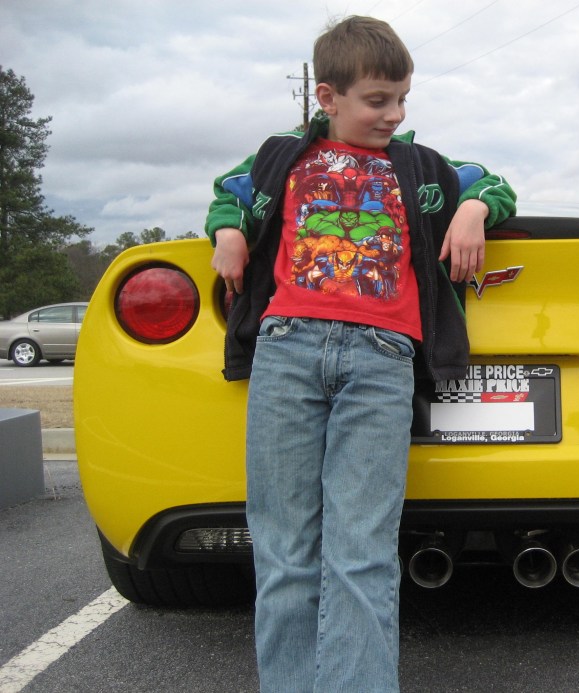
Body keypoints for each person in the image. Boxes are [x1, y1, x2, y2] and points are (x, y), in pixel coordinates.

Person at [204, 15, 516, 693]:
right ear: (328, 97)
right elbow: (226, 192)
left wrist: (472, 212)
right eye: (378, 100)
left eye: (403, 99)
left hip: (381, 362)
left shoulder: (420, 166)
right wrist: (227, 229)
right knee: (285, 549)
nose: (394, 113)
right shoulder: (280, 156)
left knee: (362, 551)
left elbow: (492, 183)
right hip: (286, 354)